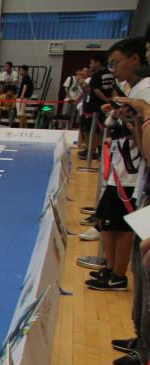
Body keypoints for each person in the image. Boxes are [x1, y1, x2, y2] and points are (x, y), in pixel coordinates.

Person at [85, 39, 148, 293]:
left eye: (115, 63)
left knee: (121, 227)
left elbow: (141, 134)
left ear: (134, 59)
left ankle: (118, 275)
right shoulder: (134, 90)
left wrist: (133, 122)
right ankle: (112, 269)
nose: (112, 70)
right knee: (107, 222)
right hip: (121, 168)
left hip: (132, 175)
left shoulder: (145, 90)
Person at [80, 54, 115, 162]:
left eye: (92, 62)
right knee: (99, 130)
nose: (90, 65)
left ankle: (93, 151)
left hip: (94, 107)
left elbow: (95, 91)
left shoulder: (97, 74)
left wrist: (107, 100)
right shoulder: (110, 73)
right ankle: (97, 151)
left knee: (90, 129)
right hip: (103, 106)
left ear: (98, 62)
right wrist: (110, 100)